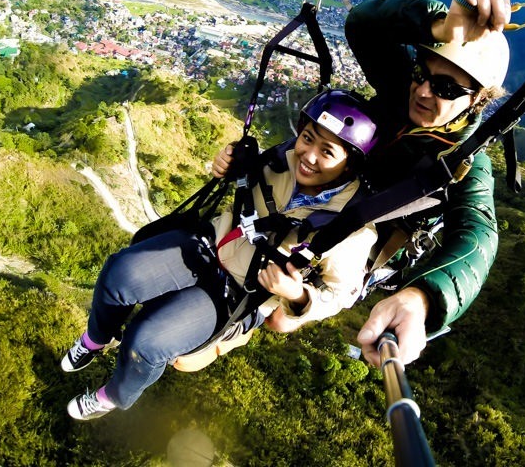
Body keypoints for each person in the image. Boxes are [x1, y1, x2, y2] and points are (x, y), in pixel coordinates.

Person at [61, 89, 379, 420]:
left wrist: (297, 295)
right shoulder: (280, 158)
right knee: (119, 274)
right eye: (307, 138)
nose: (308, 156)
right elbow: (239, 184)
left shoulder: (352, 226)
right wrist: (224, 165)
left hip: (241, 295)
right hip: (210, 244)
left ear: (349, 164)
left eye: (326, 151)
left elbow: (340, 294)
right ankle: (96, 340)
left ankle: (113, 396)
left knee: (147, 342)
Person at [345, 0, 511, 366]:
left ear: (477, 101)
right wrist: (437, 25)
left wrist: (423, 298)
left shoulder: (465, 162)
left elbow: (478, 237)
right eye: (422, 73)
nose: (422, 91)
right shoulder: (399, 90)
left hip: (359, 242)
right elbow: (362, 25)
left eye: (446, 87)